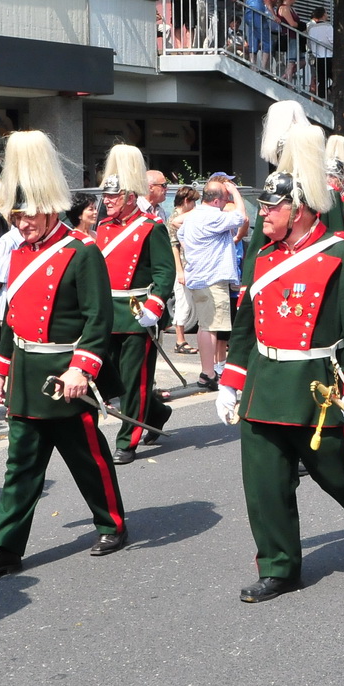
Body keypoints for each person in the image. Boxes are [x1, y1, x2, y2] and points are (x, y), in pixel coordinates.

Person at [216, 125, 344, 602]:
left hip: (315, 384)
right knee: (264, 483)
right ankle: (279, 566)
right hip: (263, 381)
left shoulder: (342, 254)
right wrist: (230, 381)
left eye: (271, 207)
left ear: (297, 209)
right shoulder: (261, 257)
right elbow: (245, 325)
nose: (263, 214)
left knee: (339, 474)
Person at [0, 130, 127, 578]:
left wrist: (82, 367)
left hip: (66, 374)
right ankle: (5, 548)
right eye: (16, 216)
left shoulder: (81, 251)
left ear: (52, 206)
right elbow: (12, 317)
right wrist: (0, 369)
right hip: (27, 372)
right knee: (20, 466)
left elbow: (98, 319)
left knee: (88, 459)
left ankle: (111, 522)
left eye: (29, 215)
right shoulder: (18, 254)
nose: (22, 224)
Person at [94, 145, 176, 465]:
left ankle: (127, 440)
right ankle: (157, 412)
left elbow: (164, 272)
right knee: (111, 379)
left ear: (129, 197)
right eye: (106, 196)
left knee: (134, 381)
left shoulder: (150, 227)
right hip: (106, 313)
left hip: (135, 311)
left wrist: (155, 305)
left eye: (113, 197)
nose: (107, 201)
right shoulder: (102, 228)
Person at [179, 175, 246, 390]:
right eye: (225, 199)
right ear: (217, 201)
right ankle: (208, 374)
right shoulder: (212, 216)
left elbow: (180, 234)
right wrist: (235, 192)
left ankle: (208, 371)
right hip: (211, 278)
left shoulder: (193, 216)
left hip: (198, 276)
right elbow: (242, 218)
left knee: (205, 326)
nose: (228, 203)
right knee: (211, 327)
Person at [166, 185, 201, 354]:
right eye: (193, 202)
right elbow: (174, 247)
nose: (195, 206)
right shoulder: (174, 218)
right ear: (186, 201)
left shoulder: (186, 217)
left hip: (193, 265)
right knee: (183, 302)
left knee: (193, 301)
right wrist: (180, 271)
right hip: (184, 266)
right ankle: (180, 341)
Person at [242, 0, 272, 69]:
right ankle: (263, 68)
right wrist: (273, 14)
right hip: (257, 12)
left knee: (253, 38)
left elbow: (244, 0)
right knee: (267, 40)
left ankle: (253, 66)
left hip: (248, 13)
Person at [307, 6, 334, 92]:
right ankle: (330, 91)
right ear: (322, 15)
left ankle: (322, 99)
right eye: (326, 13)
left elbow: (309, 43)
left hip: (317, 58)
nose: (327, 15)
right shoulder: (328, 27)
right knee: (337, 78)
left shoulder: (311, 28)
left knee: (321, 80)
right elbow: (333, 41)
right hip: (329, 57)